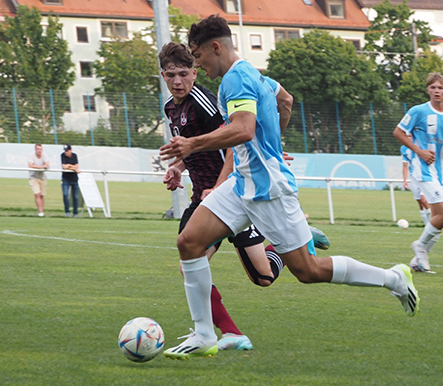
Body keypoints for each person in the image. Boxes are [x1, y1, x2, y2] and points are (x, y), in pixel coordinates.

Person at [159, 15, 419, 360]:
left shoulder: (233, 80)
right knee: (188, 242)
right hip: (242, 184)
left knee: (307, 271)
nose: (198, 63)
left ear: (215, 47)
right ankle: (205, 334)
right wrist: (272, 144)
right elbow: (286, 100)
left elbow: (243, 129)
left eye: (198, 55)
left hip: (268, 189)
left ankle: (394, 278)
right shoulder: (255, 74)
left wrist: (192, 145)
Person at [159, 42, 328, 351]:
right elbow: (198, 146)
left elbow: (233, 141)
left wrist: (219, 184)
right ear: (163, 76)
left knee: (262, 277)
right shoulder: (171, 107)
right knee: (191, 259)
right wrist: (178, 167)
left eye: (183, 74)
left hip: (235, 193)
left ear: (194, 73)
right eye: (171, 75)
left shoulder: (205, 102)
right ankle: (230, 333)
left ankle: (296, 237)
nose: (177, 81)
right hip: (208, 199)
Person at [393, 72, 443, 273]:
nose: (436, 91)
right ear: (428, 90)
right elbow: (398, 132)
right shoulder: (418, 111)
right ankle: (419, 247)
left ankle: (417, 262)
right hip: (423, 170)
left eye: (440, 88)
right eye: (433, 87)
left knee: (438, 221)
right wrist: (419, 151)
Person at [401, 143, 430, 225]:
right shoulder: (404, 148)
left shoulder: (422, 143)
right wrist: (405, 180)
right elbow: (405, 165)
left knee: (424, 199)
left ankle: (432, 225)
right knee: (420, 203)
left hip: (426, 176)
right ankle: (426, 225)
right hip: (414, 178)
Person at [28, 144, 50, 217]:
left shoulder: (44, 155)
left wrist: (44, 166)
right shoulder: (31, 155)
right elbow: (30, 165)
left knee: (42, 195)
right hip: (33, 177)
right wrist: (41, 167)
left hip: (42, 177)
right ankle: (40, 212)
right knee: (37, 194)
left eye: (40, 149)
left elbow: (47, 164)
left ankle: (42, 211)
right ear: (35, 150)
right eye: (38, 149)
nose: (39, 151)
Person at [61, 144, 80, 218]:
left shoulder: (74, 156)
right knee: (65, 195)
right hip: (66, 179)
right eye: (65, 151)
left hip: (74, 179)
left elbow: (77, 166)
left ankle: (75, 213)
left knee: (75, 197)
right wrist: (73, 168)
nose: (66, 152)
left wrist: (70, 166)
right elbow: (64, 167)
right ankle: (67, 211)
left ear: (71, 150)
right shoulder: (62, 155)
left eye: (67, 151)